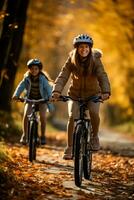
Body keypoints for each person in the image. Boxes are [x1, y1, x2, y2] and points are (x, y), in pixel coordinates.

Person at [51, 34, 111, 160]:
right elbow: (63, 75)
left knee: (94, 112)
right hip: (75, 95)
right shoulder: (71, 59)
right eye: (81, 47)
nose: (84, 49)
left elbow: (102, 75)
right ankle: (70, 146)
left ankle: (94, 137)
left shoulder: (95, 60)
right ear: (77, 48)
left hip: (93, 94)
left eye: (86, 47)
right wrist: (56, 90)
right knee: (72, 116)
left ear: (90, 48)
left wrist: (105, 91)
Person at [12, 58, 54, 145]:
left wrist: (50, 97)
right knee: (26, 115)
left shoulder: (43, 79)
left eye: (36, 69)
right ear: (29, 69)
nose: (34, 70)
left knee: (43, 117)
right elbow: (20, 86)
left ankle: (42, 136)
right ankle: (25, 135)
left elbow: (48, 89)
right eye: (32, 69)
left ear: (39, 70)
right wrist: (16, 95)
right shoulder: (26, 78)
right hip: (30, 99)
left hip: (42, 100)